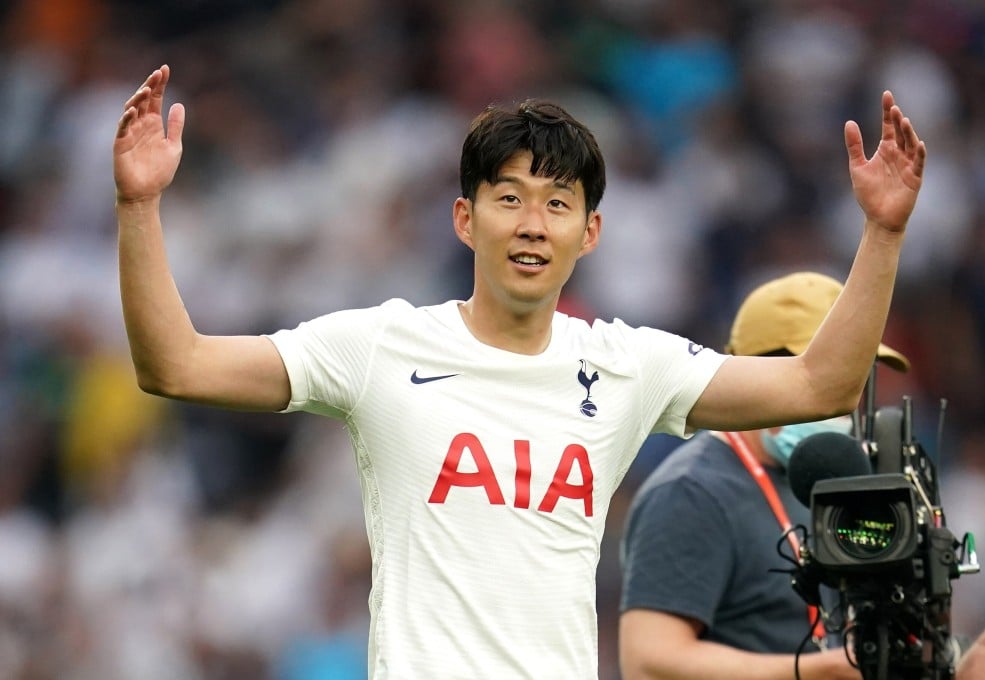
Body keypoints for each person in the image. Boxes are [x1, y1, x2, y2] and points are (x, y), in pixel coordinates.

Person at [113, 64, 925, 679]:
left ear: (592, 232)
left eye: (558, 203)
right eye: (508, 198)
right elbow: (175, 365)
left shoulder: (625, 364)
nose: (533, 225)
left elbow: (818, 387)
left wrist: (882, 232)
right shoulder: (381, 346)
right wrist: (140, 208)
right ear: (465, 218)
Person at [617, 271, 910, 680]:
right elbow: (648, 663)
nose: (849, 398)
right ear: (772, 371)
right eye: (839, 376)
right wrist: (819, 671)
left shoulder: (823, 483)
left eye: (858, 377)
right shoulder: (691, 493)